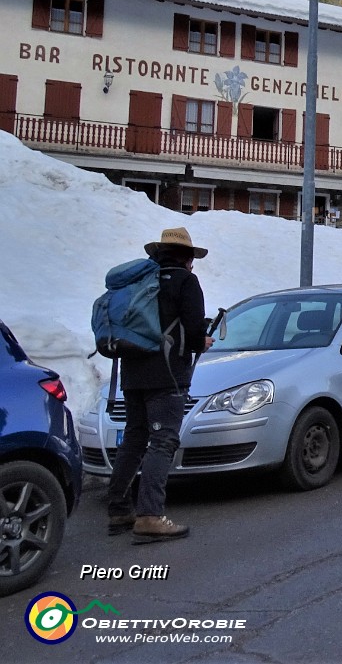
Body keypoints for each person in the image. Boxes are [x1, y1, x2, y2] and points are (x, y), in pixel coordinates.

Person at [106, 227, 211, 544]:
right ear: (188, 258)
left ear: (157, 254)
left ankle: (119, 509)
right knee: (163, 441)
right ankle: (150, 515)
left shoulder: (139, 281)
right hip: (166, 376)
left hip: (133, 372)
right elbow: (193, 331)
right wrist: (201, 341)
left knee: (135, 439)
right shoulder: (185, 281)